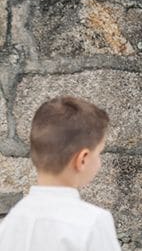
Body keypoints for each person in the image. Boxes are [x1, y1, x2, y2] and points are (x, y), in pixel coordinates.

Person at [0, 96, 121, 251]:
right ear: (82, 159)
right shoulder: (92, 222)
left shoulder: (11, 222)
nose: (99, 162)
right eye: (99, 153)